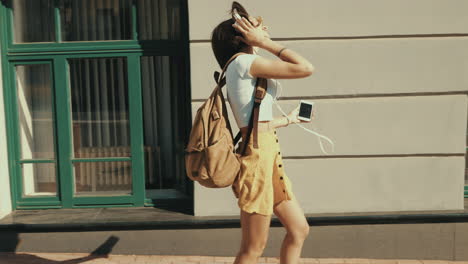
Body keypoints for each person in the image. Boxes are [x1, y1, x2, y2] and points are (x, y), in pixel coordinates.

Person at [210, 2, 315, 263]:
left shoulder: (242, 65)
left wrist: (287, 120)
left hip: (268, 157)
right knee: (253, 248)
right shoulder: (244, 62)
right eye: (257, 25)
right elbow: (305, 68)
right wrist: (266, 43)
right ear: (244, 36)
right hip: (257, 162)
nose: (264, 28)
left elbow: (255, 125)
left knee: (299, 229)